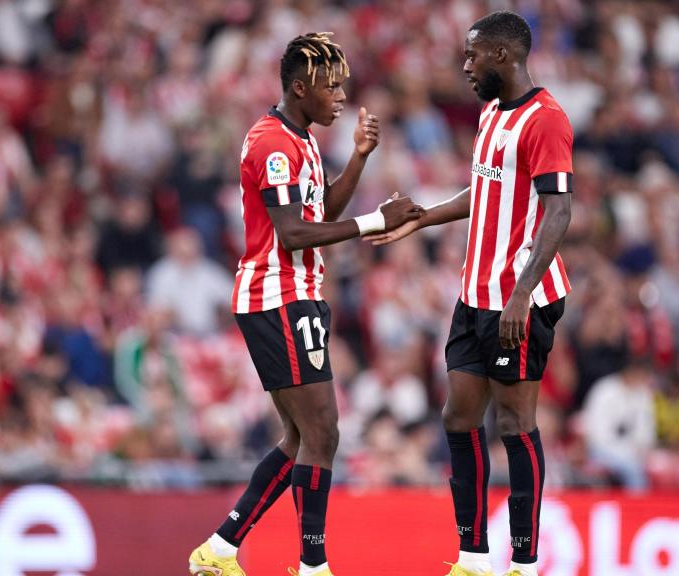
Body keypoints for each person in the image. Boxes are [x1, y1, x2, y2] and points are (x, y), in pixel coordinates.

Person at [187, 32, 423, 576]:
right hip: (277, 295)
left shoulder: (301, 137)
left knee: (301, 438)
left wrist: (360, 159)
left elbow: (317, 211)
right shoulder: (272, 143)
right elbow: (293, 234)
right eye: (330, 86)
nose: (341, 96)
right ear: (299, 88)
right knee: (323, 433)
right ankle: (312, 566)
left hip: (296, 295)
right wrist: (374, 223)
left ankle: (221, 549)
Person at [366, 12, 573, 576]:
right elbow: (485, 190)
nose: (465, 65)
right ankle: (472, 555)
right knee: (458, 417)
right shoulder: (489, 112)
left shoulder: (547, 121)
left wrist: (521, 294)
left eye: (472, 55)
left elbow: (559, 212)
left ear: (503, 56)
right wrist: (424, 218)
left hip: (517, 299)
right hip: (474, 293)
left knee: (514, 423)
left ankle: (524, 562)